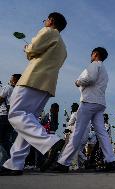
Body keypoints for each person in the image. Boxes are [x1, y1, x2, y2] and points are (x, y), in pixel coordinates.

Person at [0, 12, 67, 176]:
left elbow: (33, 49)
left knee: (15, 114)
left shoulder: (48, 31)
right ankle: (15, 164)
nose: (44, 22)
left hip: (33, 79)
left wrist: (27, 48)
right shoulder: (63, 47)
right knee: (28, 122)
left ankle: (50, 142)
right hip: (47, 85)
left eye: (46, 19)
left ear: (51, 21)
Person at [53, 47, 115, 172]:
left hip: (89, 101)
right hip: (99, 103)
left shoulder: (94, 65)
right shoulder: (104, 69)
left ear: (95, 54)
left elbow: (91, 78)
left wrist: (78, 82)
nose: (91, 56)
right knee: (102, 133)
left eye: (92, 54)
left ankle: (63, 162)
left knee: (77, 131)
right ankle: (111, 160)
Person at [0, 74, 21, 165]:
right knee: (6, 140)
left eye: (12, 78)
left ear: (15, 80)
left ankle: (3, 162)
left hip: (3, 115)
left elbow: (0, 99)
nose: (10, 80)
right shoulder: (19, 90)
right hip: (12, 117)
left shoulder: (8, 88)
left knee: (1, 139)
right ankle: (10, 160)